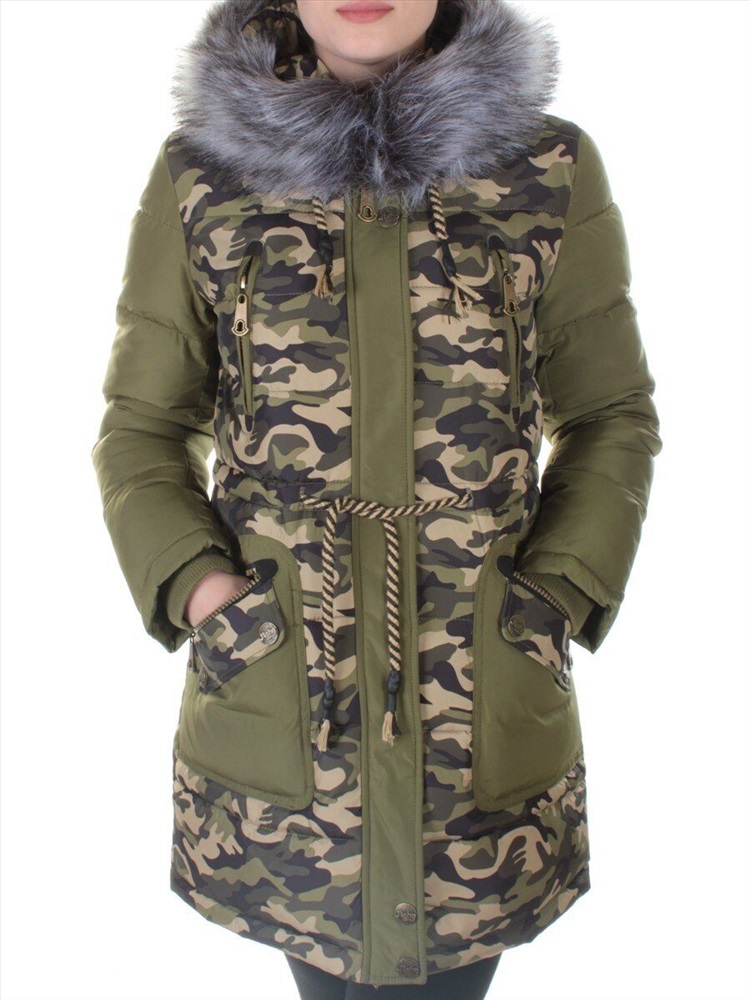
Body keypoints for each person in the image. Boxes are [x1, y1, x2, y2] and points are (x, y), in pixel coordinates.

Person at [91, 0, 662, 997]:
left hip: (477, 710)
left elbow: (610, 414)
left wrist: (552, 600)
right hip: (286, 705)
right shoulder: (204, 175)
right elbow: (142, 428)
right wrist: (207, 596)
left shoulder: (547, 169)